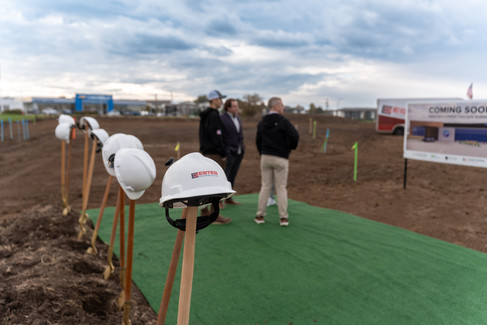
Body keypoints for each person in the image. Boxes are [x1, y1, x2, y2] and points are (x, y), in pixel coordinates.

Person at [254, 97, 299, 227]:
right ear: (277, 106)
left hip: (265, 157)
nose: (283, 107)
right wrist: (289, 149)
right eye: (282, 105)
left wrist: (262, 152)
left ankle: (260, 215)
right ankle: (283, 218)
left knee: (265, 186)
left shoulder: (263, 121)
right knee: (281, 188)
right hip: (281, 158)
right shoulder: (283, 121)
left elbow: (258, 139)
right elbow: (295, 136)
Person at [199, 89, 232, 224]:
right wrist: (223, 153)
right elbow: (216, 136)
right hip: (215, 154)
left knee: (207, 183)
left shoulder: (205, 115)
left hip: (206, 152)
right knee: (215, 184)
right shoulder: (213, 115)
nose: (222, 102)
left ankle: (204, 210)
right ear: (214, 100)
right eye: (220, 99)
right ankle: (214, 215)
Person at [220, 98, 245, 206]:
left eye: (237, 106)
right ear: (228, 108)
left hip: (239, 151)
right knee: (225, 176)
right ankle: (220, 200)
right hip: (229, 151)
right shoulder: (222, 119)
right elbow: (221, 136)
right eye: (234, 106)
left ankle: (229, 198)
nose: (237, 108)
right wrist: (226, 151)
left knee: (233, 175)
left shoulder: (238, 118)